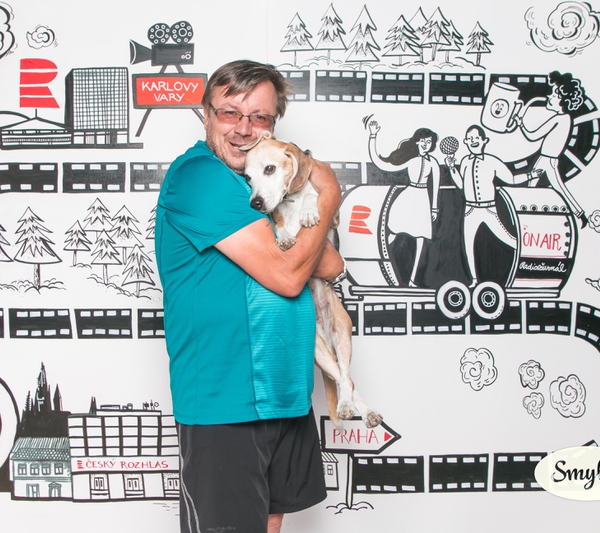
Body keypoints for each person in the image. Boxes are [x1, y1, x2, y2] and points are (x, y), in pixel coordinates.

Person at [155, 60, 344, 533]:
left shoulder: (258, 180)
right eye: (230, 113)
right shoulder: (199, 176)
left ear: (273, 124)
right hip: (225, 399)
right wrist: (329, 194)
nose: (244, 129)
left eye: (260, 116)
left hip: (285, 392)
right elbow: (288, 274)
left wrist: (299, 237)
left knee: (270, 524)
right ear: (206, 114)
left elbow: (330, 265)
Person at [446, 125, 539, 286]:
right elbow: (461, 184)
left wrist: (530, 175)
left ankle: (530, 262)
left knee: (509, 239)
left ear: (484, 141)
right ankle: (474, 280)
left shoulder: (492, 161)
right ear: (466, 142)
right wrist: (452, 168)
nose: (473, 141)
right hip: (470, 210)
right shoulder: (465, 161)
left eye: (477, 138)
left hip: (488, 209)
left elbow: (511, 179)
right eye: (470, 139)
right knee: (468, 245)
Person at [367, 122, 441, 287]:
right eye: (423, 141)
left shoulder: (433, 163)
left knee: (421, 239)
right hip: (408, 198)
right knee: (391, 232)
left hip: (423, 201)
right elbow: (381, 164)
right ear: (417, 142)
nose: (426, 144)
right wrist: (373, 136)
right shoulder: (411, 161)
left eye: (429, 142)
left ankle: (413, 280)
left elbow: (435, 186)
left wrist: (434, 208)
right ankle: (378, 264)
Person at [516, 70, 589, 228]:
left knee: (544, 188)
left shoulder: (559, 119)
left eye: (554, 94)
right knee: (539, 187)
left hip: (548, 160)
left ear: (563, 99)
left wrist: (520, 123)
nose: (549, 96)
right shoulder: (566, 119)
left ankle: (529, 219)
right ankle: (578, 214)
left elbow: (533, 135)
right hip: (547, 159)